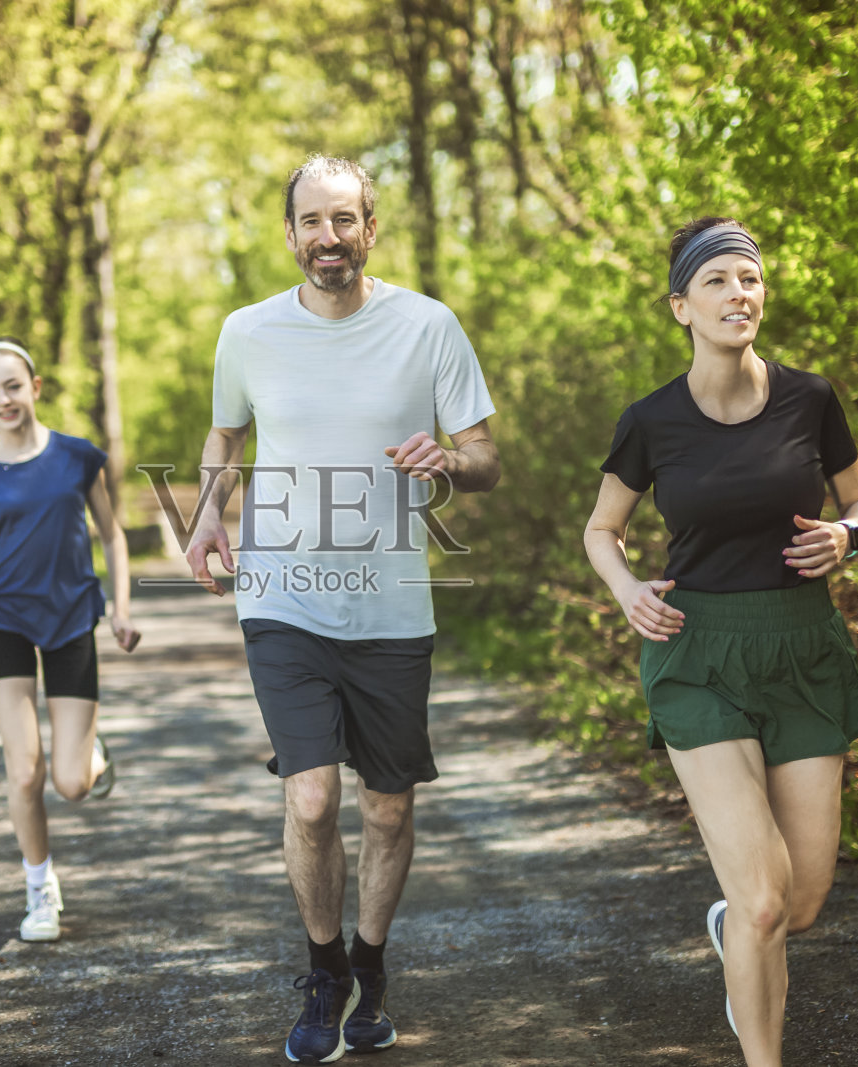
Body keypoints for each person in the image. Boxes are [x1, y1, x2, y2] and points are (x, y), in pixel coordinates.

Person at [184, 155, 500, 1064]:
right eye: (311, 222)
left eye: (345, 220)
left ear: (372, 229)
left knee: (388, 809)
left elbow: (485, 455)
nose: (329, 238)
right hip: (283, 596)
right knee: (314, 796)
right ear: (290, 236)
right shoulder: (247, 331)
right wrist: (209, 511)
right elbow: (225, 433)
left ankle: (373, 965)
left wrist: (450, 461)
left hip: (394, 608)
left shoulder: (429, 326)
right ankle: (324, 971)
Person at [583, 218, 858, 1065]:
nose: (737, 294)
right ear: (682, 305)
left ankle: (728, 931)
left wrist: (848, 537)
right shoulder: (651, 421)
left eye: (748, 279)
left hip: (803, 649)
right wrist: (628, 588)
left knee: (802, 901)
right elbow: (603, 530)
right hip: (698, 652)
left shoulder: (811, 399)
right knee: (761, 902)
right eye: (715, 281)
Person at [0, 337, 141, 943]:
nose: (4, 399)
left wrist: (119, 611)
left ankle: (91, 754)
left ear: (35, 387)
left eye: (13, 386)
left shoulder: (77, 458)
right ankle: (39, 891)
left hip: (73, 619)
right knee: (24, 772)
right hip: (6, 623)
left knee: (70, 783)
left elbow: (113, 537)